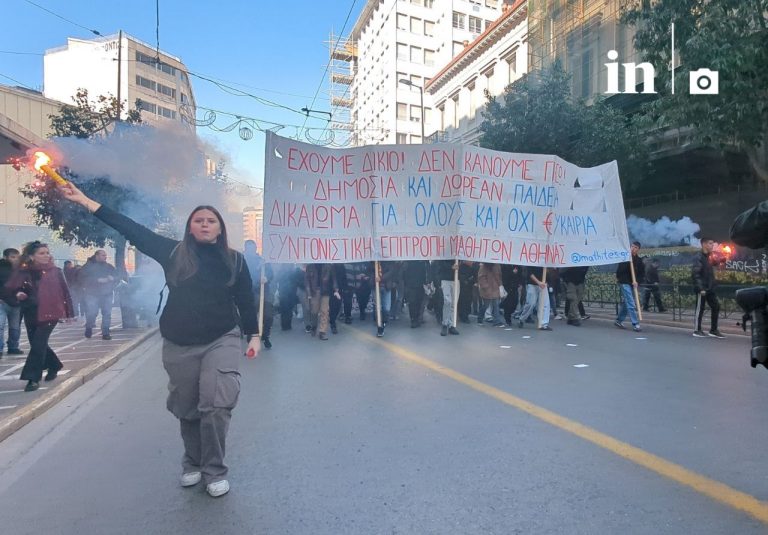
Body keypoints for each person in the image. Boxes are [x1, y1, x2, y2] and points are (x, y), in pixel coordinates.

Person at [60, 182, 260, 498]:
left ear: (220, 228)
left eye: (211, 221)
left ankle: (215, 469)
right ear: (190, 227)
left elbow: (246, 298)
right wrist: (85, 201)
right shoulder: (173, 252)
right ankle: (192, 462)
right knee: (188, 407)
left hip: (221, 337)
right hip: (179, 341)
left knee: (216, 404)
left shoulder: (234, 260)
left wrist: (254, 335)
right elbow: (129, 227)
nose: (205, 224)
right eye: (199, 220)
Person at [2, 241, 73, 391]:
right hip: (31, 311)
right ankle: (54, 365)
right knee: (37, 343)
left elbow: (65, 292)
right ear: (31, 257)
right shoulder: (23, 271)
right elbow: (12, 288)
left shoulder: (56, 271)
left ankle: (32, 378)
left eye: (47, 253)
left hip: (51, 311)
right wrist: (18, 293)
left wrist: (69, 313)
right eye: (41, 253)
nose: (46, 256)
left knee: (38, 343)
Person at [79, 250, 118, 340]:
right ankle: (89, 327)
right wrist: (97, 280)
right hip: (92, 293)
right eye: (103, 255)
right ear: (97, 256)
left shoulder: (109, 267)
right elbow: (81, 279)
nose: (105, 257)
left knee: (107, 313)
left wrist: (113, 278)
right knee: (92, 312)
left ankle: (106, 333)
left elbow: (117, 276)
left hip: (107, 293)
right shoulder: (88, 266)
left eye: (105, 255)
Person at [243, 240, 275, 349]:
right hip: (249, 292)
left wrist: (267, 277)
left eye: (253, 248)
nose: (251, 251)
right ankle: (252, 337)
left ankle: (265, 335)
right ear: (246, 249)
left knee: (268, 315)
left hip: (263, 291)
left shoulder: (262, 260)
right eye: (249, 249)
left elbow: (270, 273)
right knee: (251, 316)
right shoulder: (242, 261)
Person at [692, 238, 725, 338]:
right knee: (700, 309)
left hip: (710, 288)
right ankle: (697, 330)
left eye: (712, 244)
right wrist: (701, 288)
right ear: (704, 244)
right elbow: (696, 274)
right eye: (710, 243)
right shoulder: (698, 257)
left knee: (716, 306)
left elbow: (713, 264)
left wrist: (721, 260)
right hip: (702, 288)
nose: (712, 246)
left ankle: (713, 330)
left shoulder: (709, 256)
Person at [614, 241, 644, 332]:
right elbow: (619, 272)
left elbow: (641, 274)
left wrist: (637, 282)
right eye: (632, 246)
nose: (633, 248)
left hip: (633, 284)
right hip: (624, 283)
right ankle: (635, 324)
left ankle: (619, 320)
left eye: (635, 247)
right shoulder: (625, 258)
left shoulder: (639, 261)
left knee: (626, 303)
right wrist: (627, 261)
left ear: (638, 249)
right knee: (631, 302)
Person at [0, 248, 24, 357]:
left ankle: (13, 347)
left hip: (16, 302)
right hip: (2, 302)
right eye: (12, 257)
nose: (15, 259)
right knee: (0, 326)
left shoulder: (20, 270)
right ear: (5, 257)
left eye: (17, 257)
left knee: (15, 327)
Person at [306, 263, 337, 340]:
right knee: (314, 311)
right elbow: (307, 280)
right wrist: (309, 293)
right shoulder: (310, 266)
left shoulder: (329, 266)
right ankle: (314, 326)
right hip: (314, 291)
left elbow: (334, 279)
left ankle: (322, 332)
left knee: (325, 311)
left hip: (325, 291)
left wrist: (336, 289)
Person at [517, 266, 552, 331]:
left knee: (545, 304)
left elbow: (548, 272)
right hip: (532, 284)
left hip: (543, 284)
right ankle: (522, 319)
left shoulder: (546, 262)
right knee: (531, 303)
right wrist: (538, 282)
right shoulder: (532, 262)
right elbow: (530, 273)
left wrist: (547, 282)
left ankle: (544, 324)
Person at [435, 260, 459, 336]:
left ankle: (451, 325)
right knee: (447, 302)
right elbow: (440, 263)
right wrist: (451, 267)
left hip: (456, 279)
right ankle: (445, 324)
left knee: (454, 303)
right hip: (445, 279)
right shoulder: (444, 254)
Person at [402, 260, 429, 328]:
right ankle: (414, 319)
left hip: (420, 282)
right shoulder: (408, 261)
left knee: (418, 301)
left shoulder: (423, 261)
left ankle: (416, 318)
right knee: (412, 302)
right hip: (411, 283)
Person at [477, 262, 505, 327]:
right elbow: (481, 278)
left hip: (495, 288)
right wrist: (486, 287)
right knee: (486, 305)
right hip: (488, 289)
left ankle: (497, 321)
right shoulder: (483, 266)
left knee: (496, 305)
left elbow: (499, 276)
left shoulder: (497, 265)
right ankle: (480, 319)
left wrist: (500, 285)